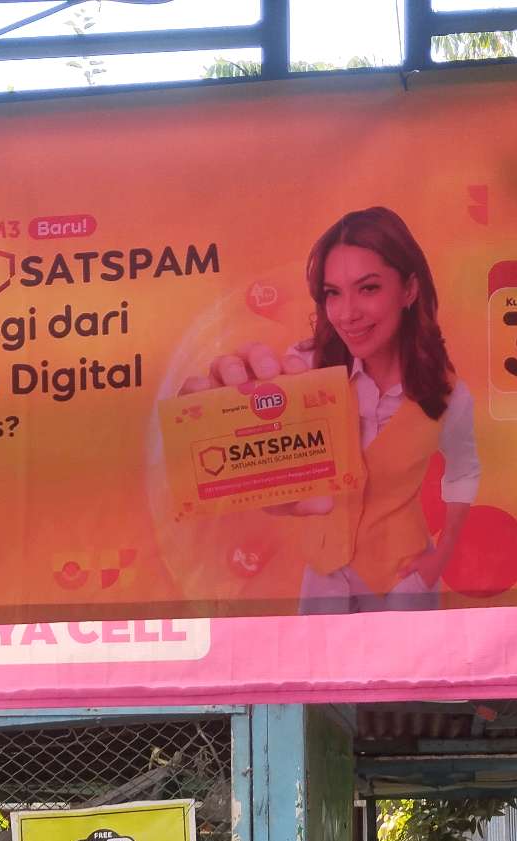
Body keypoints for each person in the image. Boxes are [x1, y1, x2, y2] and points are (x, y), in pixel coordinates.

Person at [181, 206, 479, 613]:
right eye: (332, 293)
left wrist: (441, 555)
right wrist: (214, 420)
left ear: (409, 290)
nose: (347, 313)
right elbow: (256, 445)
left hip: (404, 579)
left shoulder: (448, 394)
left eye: (368, 288)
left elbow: (464, 471)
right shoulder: (304, 369)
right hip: (324, 578)